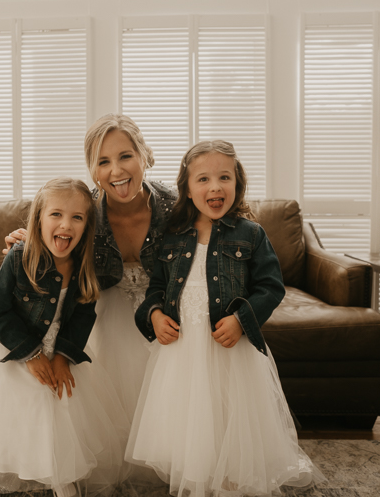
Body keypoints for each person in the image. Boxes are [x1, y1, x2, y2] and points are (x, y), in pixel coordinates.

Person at [128, 140, 325, 497]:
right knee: (189, 417)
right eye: (202, 179)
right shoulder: (173, 236)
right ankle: (196, 475)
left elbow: (270, 287)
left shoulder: (250, 234)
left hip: (230, 350)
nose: (215, 186)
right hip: (182, 350)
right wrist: (155, 314)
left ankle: (233, 479)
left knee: (231, 414)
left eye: (224, 177)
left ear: (238, 184)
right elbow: (156, 287)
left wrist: (241, 319)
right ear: (187, 189)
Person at [0, 177, 128, 497]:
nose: (65, 224)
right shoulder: (20, 256)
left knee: (63, 399)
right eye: (56, 214)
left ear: (87, 226)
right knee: (25, 401)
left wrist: (62, 357)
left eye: (77, 217)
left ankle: (61, 473)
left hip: (58, 347)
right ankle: (8, 464)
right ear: (38, 218)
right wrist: (31, 354)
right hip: (13, 345)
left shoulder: (86, 266)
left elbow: (84, 314)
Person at [3, 114, 178, 421]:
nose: (116, 170)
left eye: (126, 156)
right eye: (103, 161)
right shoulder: (85, 211)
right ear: (94, 171)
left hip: (164, 311)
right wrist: (28, 244)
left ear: (143, 156)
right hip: (102, 312)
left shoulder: (175, 206)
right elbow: (57, 242)